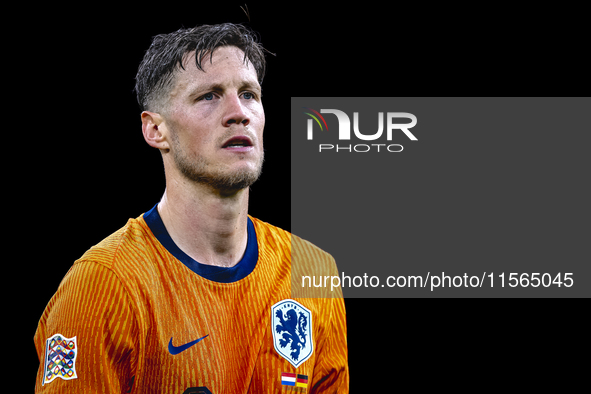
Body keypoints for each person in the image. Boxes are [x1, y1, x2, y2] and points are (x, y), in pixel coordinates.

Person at [34, 23, 349, 393]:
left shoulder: (313, 270)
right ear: (156, 131)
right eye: (209, 96)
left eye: (249, 94)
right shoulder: (104, 284)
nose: (239, 113)